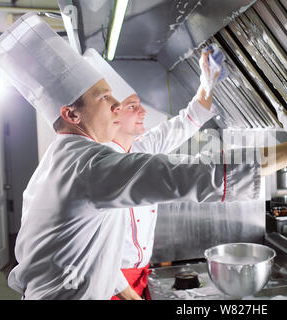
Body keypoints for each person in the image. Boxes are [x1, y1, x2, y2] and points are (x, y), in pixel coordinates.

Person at [0, 13, 287, 300]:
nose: (119, 110)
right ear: (72, 115)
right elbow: (200, 176)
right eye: (105, 99)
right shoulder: (90, 165)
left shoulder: (68, 159)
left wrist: (207, 86)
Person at [83, 48, 219, 300]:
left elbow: (190, 119)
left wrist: (207, 81)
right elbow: (94, 252)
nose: (143, 112)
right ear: (113, 112)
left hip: (141, 273)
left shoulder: (144, 146)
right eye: (133, 106)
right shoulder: (98, 166)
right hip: (109, 283)